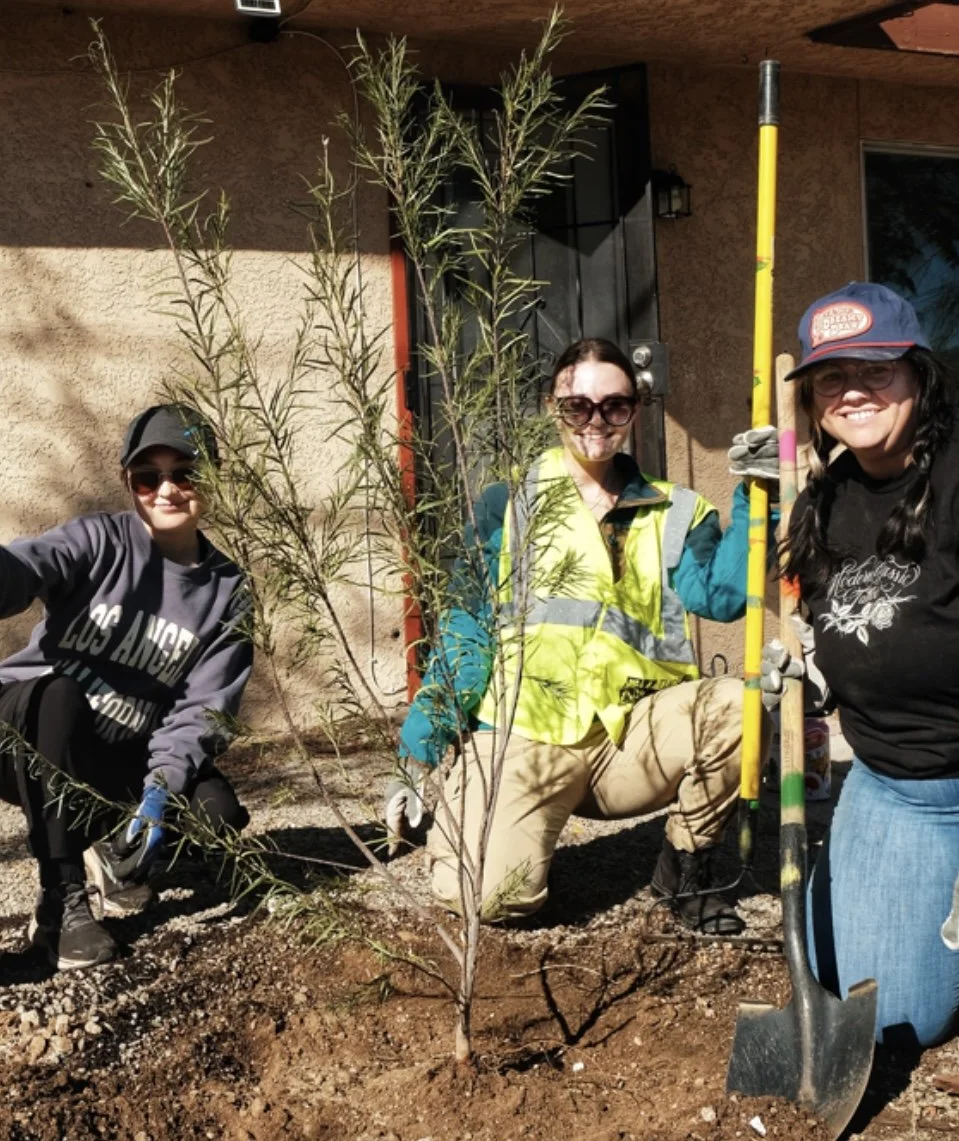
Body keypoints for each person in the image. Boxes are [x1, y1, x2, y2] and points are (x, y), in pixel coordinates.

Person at [386, 338, 776, 935]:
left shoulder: (678, 511)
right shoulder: (505, 506)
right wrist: (421, 748)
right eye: (578, 407)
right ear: (552, 408)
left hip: (629, 739)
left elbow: (721, 598)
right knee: (489, 899)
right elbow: (466, 633)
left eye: (615, 406)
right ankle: (506, 839)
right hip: (524, 736)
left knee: (739, 706)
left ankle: (685, 871)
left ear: (636, 411)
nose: (597, 421)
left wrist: (757, 496)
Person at [762, 280, 959, 1047]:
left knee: (909, 1017)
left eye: (875, 369)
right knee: (862, 997)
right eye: (830, 377)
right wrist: (811, 664)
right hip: (888, 785)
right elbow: (819, 615)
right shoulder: (825, 499)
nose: (852, 390)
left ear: (918, 376)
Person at [0, 404, 252, 971]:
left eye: (184, 472)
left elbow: (203, 711)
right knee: (62, 694)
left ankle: (117, 852)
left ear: (211, 478)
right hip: (20, 730)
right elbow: (29, 565)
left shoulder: (227, 592)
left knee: (216, 811)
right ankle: (61, 902)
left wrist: (161, 789)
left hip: (110, 744)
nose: (167, 489)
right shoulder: (99, 542)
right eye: (148, 476)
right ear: (129, 484)